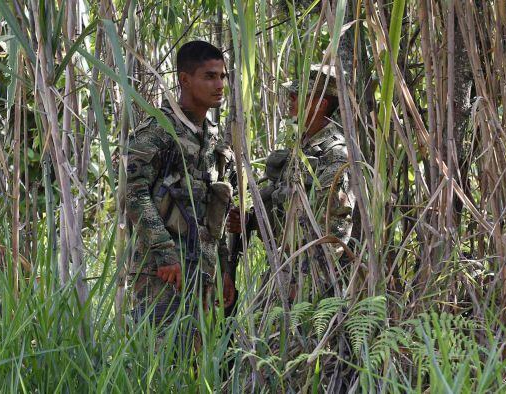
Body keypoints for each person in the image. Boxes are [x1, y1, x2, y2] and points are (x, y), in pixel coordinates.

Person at [125, 40, 236, 337]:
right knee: (157, 367)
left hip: (204, 273)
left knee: (195, 369)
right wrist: (165, 253)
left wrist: (225, 268)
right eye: (210, 76)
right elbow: (134, 196)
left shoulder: (213, 139)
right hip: (161, 274)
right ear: (185, 80)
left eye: (222, 76)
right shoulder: (157, 131)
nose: (219, 84)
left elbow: (219, 212)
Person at [228, 63, 355, 301]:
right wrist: (250, 221)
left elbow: (334, 236)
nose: (291, 101)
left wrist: (304, 286)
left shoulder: (334, 156)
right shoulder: (302, 151)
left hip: (308, 286)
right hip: (282, 273)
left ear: (320, 104)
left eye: (299, 95)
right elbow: (284, 211)